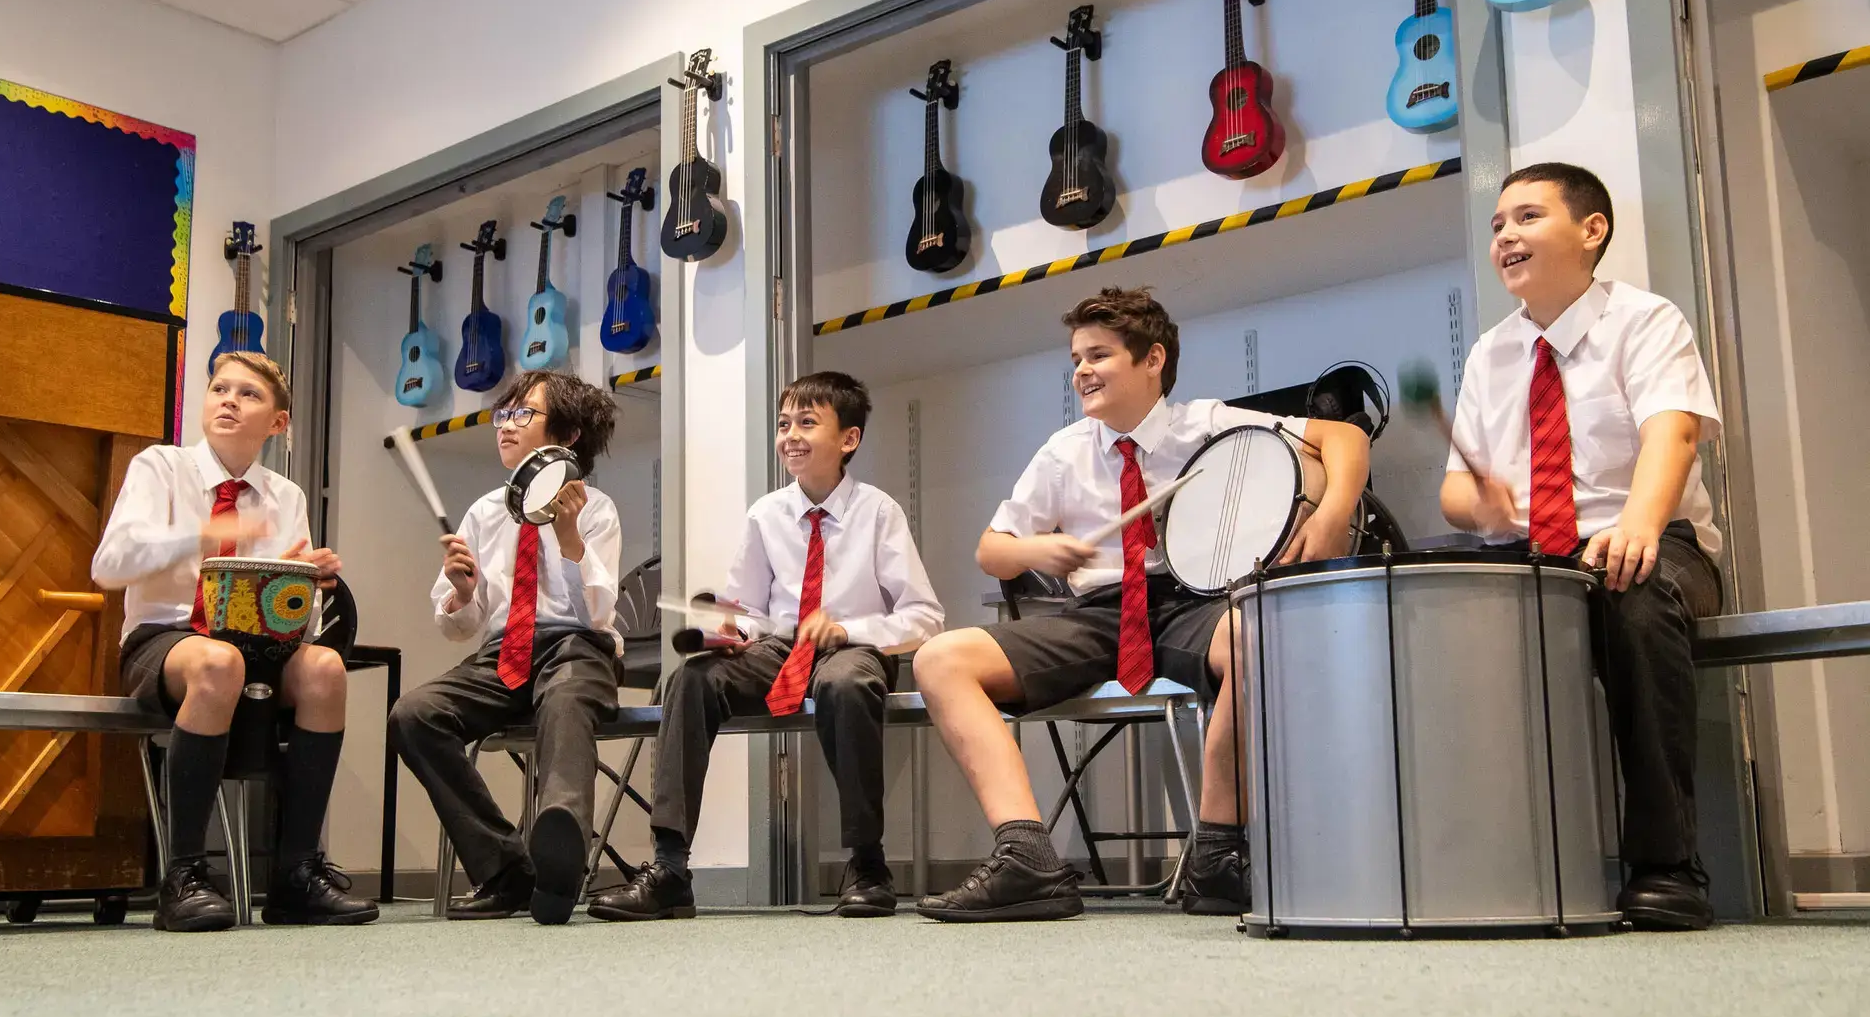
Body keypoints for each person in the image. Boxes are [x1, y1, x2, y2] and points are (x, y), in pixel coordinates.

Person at [912, 286, 1370, 922]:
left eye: (1098, 355)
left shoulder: (1208, 423)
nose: (1081, 371)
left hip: (1191, 600)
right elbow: (992, 550)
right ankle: (1027, 858)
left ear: (1153, 359)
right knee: (940, 660)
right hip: (1096, 614)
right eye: (1076, 358)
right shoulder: (1063, 451)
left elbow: (1343, 436)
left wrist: (1332, 515)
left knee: (1256, 634)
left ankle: (1215, 851)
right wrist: (1039, 551)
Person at [1441, 162, 1724, 930]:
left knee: (1634, 589)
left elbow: (1677, 431)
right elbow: (1454, 493)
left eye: (1527, 218)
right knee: (1438, 610)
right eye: (1498, 224)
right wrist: (1486, 507)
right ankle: (1478, 861)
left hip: (1651, 542)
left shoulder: (1644, 319)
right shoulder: (1490, 353)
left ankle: (1668, 865)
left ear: (1591, 231)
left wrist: (1635, 520)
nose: (1505, 236)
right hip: (1533, 556)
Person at [589, 371, 943, 920]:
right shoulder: (766, 513)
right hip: (779, 647)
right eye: (783, 424)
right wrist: (735, 630)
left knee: (845, 682)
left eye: (807, 422)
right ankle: (670, 867)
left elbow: (924, 617)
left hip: (852, 646)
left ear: (848, 439)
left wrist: (849, 630)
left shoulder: (878, 511)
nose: (790, 435)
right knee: (692, 678)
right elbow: (750, 610)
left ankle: (867, 863)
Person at [92, 352, 376, 931]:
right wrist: (202, 534)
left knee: (323, 668)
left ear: (278, 423)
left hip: (257, 645)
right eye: (220, 388)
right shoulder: (161, 467)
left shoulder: (286, 496)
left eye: (248, 394)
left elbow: (291, 620)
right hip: (166, 639)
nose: (227, 399)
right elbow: (110, 565)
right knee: (218, 662)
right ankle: (184, 876)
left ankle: (296, 873)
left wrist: (300, 581)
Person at [388, 369, 623, 925]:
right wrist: (463, 593)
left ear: (565, 436)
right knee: (414, 714)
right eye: (504, 414)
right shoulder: (486, 510)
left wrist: (568, 537)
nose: (506, 426)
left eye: (523, 414)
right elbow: (462, 626)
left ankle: (561, 837)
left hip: (575, 649)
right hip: (501, 656)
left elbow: (597, 615)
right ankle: (505, 868)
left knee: (566, 703)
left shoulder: (596, 508)